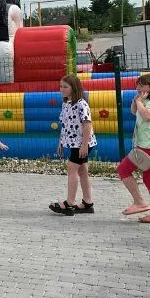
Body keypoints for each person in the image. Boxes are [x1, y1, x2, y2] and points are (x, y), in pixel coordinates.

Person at [116, 74, 150, 225]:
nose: (138, 87)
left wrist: (140, 101)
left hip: (149, 148)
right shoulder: (145, 101)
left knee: (122, 170)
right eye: (138, 84)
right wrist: (137, 99)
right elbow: (134, 111)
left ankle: (140, 202)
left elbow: (147, 116)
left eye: (142, 85)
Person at [50, 75, 97, 216]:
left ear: (74, 88)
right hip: (73, 142)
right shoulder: (66, 104)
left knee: (72, 169)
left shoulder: (81, 104)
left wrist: (84, 145)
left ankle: (69, 203)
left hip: (82, 143)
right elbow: (64, 125)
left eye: (65, 87)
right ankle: (87, 203)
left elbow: (87, 124)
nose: (61, 89)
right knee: (82, 171)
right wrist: (60, 142)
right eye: (60, 86)